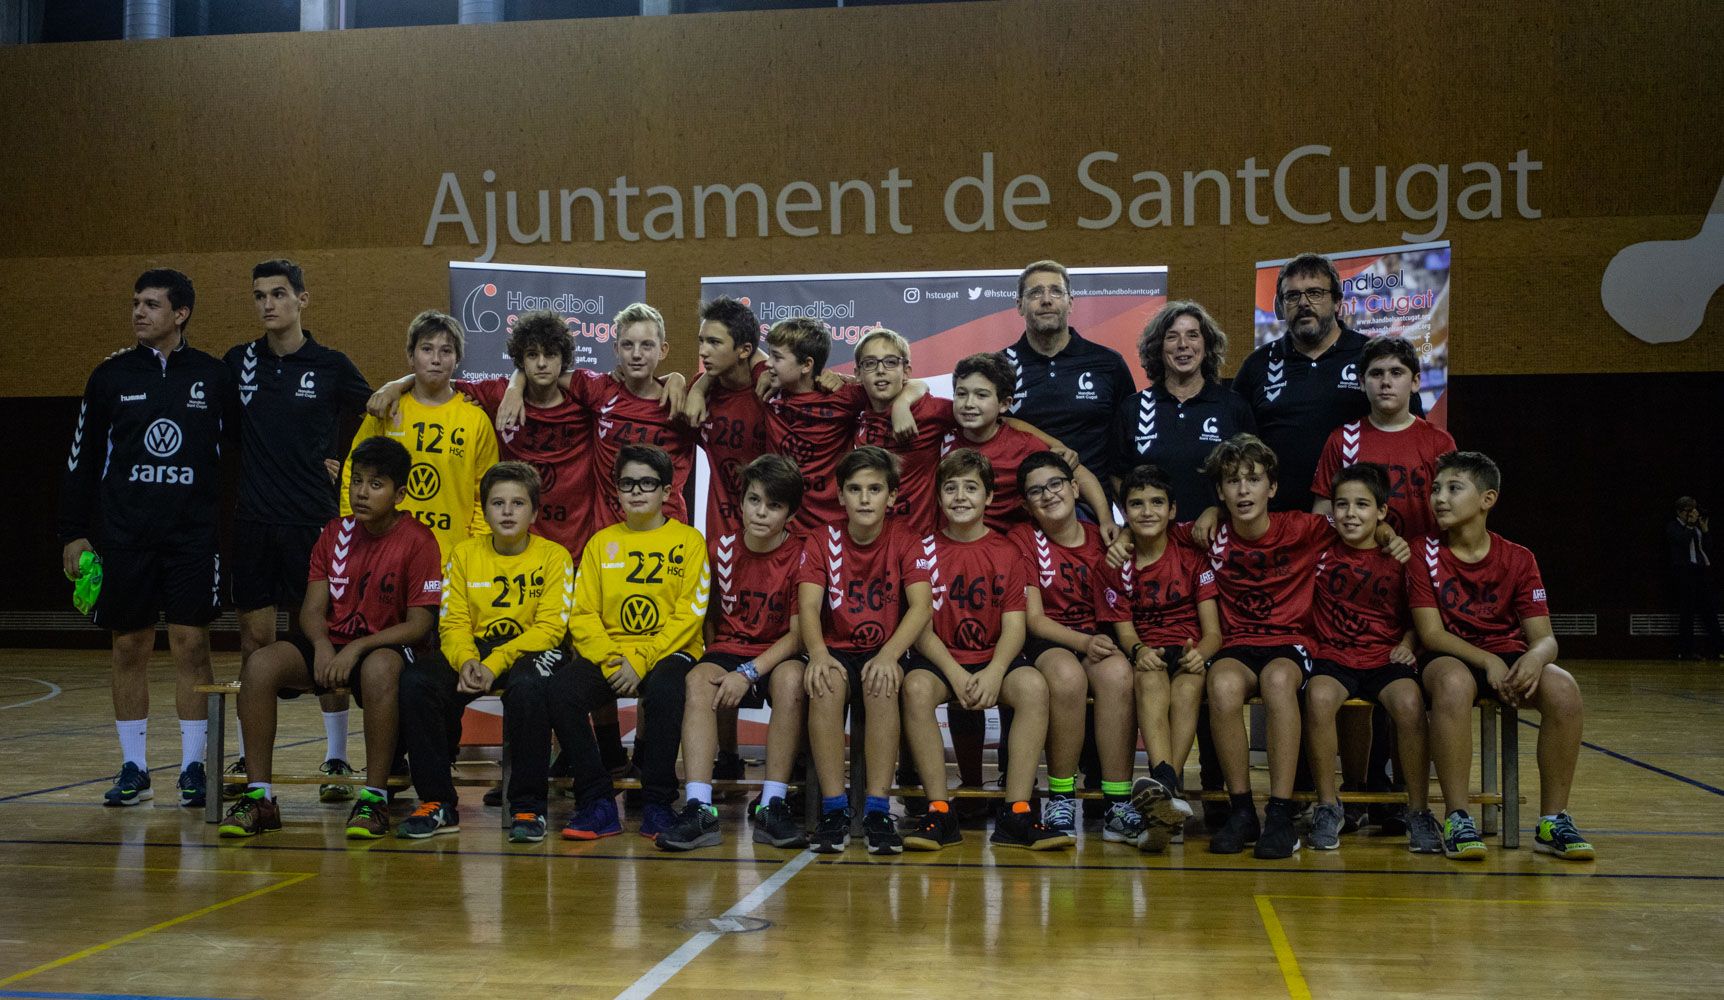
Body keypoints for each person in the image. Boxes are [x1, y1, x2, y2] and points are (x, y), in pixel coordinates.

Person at [60, 269, 234, 808]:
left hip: (192, 539)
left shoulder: (213, 376)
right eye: (135, 302)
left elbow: (238, 459)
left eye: (151, 304)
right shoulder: (109, 376)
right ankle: (133, 766)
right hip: (125, 538)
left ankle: (192, 768)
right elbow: (81, 460)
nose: (138, 312)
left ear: (179, 314)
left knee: (191, 645)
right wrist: (73, 533)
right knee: (129, 646)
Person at [218, 436, 442, 839]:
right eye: (356, 481)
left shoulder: (419, 540)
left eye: (376, 484)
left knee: (378, 669)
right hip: (334, 642)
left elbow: (419, 624)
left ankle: (374, 799)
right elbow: (311, 609)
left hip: (383, 646)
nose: (361, 492)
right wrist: (322, 645)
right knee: (260, 664)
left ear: (400, 493)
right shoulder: (334, 533)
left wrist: (356, 648)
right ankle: (259, 797)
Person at [1202, 434, 1406, 860]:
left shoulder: (1304, 528)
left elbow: (1362, 522)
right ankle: (1242, 810)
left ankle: (1280, 811)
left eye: (1253, 479)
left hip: (1290, 641)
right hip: (1238, 643)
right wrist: (1129, 539)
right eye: (1232, 481)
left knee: (1279, 682)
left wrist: (1386, 530)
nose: (1243, 490)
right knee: (1220, 686)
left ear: (1271, 488)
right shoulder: (1210, 534)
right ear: (1220, 491)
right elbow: (1157, 533)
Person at [224, 258, 374, 803]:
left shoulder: (331, 365)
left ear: (302, 300)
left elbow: (381, 409)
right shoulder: (238, 362)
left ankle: (336, 756)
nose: (268, 304)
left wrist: (349, 462)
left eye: (279, 294)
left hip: (314, 526)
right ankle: (249, 754)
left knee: (322, 638)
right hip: (253, 525)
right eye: (259, 295)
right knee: (256, 642)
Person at [1411, 451, 1595, 861]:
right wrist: (1486, 661)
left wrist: (1535, 659)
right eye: (1435, 489)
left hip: (1506, 655)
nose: (1439, 498)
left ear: (1487, 499)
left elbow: (1545, 638)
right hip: (1449, 655)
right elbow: (1431, 633)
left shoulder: (1519, 557)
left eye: (1454, 488)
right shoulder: (1422, 553)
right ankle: (1457, 817)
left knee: (1564, 690)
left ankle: (1552, 821)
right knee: (1454, 684)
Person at [900, 449, 1074, 852]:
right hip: (941, 657)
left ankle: (1016, 812)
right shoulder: (921, 549)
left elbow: (1015, 626)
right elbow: (921, 626)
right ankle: (940, 811)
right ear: (939, 497)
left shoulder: (1008, 551)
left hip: (996, 655)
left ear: (990, 497)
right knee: (916, 689)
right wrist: (956, 673)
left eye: (971, 488)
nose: (960, 496)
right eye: (951, 488)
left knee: (1032, 686)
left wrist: (995, 671)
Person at [395, 462, 576, 843]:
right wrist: (466, 660)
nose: (507, 512)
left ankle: (528, 806)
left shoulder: (555, 556)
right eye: (498, 503)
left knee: (529, 687)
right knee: (417, 682)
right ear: (485, 510)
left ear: (535, 512)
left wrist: (493, 664)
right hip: (476, 651)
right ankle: (437, 802)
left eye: (517, 503)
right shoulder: (463, 554)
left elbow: (549, 629)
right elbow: (453, 622)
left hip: (532, 649)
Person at [556, 445, 711, 841]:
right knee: (560, 690)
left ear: (666, 491)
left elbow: (688, 615)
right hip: (612, 653)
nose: (637, 491)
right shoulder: (600, 543)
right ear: (617, 491)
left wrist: (640, 660)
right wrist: (611, 660)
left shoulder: (689, 542)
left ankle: (658, 803)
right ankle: (597, 802)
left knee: (665, 689)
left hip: (668, 651)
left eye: (647, 483)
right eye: (628, 483)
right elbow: (583, 614)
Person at [656, 454, 809, 852]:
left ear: (790, 513)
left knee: (792, 679)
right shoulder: (718, 548)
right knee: (697, 680)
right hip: (730, 647)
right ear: (740, 502)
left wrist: (749, 672)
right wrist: (719, 658)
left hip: (777, 652)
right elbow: (708, 618)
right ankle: (699, 808)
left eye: (774, 505)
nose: (761, 512)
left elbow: (798, 636)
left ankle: (772, 803)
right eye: (754, 500)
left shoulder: (804, 554)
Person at [797, 446, 934, 855]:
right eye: (854, 489)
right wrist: (818, 654)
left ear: (892, 496)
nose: (864, 498)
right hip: (835, 647)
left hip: (883, 647)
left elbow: (922, 606)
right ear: (840, 496)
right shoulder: (822, 538)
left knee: (881, 685)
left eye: (874, 489)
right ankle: (834, 809)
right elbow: (807, 605)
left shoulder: (906, 538)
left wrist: (891, 654)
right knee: (825, 684)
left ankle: (876, 809)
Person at [1302, 463, 1441, 854]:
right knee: (1318, 697)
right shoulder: (1320, 549)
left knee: (1410, 703)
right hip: (1334, 655)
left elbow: (1420, 613)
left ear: (1382, 511)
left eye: (1362, 505)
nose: (1350, 514)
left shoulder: (1401, 555)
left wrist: (1409, 642)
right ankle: (1329, 805)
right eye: (1342, 505)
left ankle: (1417, 810)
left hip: (1384, 655)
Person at [1230, 252, 1422, 515]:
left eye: (1315, 293)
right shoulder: (1257, 365)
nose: (1304, 303)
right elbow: (1233, 445)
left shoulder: (1371, 358)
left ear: (1337, 302)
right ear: (1281, 306)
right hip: (1275, 520)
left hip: (1357, 521)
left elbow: (1411, 430)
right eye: (1292, 296)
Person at [1010, 452, 1134, 840]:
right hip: (1048, 640)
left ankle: (1118, 800)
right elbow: (1034, 619)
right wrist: (1084, 641)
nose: (1048, 495)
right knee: (1066, 676)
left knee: (1118, 674)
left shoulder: (1106, 539)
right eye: (1036, 491)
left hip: (1098, 637)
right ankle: (1061, 795)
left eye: (1055, 484)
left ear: (1075, 488)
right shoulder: (1023, 540)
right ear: (1026, 505)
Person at [1110, 464, 1218, 852]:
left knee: (1189, 689)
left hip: (1189, 651)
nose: (1147, 511)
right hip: (1147, 651)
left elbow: (1213, 632)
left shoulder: (1191, 557)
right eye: (1136, 504)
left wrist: (1201, 655)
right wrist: (1138, 651)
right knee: (1150, 680)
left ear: (1173, 510)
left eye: (1157, 502)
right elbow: (1124, 631)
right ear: (1124, 513)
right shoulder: (1115, 565)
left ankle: (1163, 792)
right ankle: (1166, 790)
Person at [340, 311, 499, 558]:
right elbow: (353, 472)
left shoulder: (476, 419)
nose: (436, 359)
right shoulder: (386, 409)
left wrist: (473, 553)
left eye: (446, 351)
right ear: (410, 357)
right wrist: (352, 530)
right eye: (426, 349)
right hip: (384, 553)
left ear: (457, 360)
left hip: (450, 558)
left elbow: (486, 492)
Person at [1001, 259, 1136, 508]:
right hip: (1019, 511)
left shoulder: (1108, 363)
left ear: (1070, 303)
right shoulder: (998, 367)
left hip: (1093, 513)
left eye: (1056, 291)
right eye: (1035, 293)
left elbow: (1126, 448)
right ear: (1019, 306)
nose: (1046, 300)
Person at [1115, 301, 1256, 521]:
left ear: (1206, 345)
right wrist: (1137, 519)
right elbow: (1116, 475)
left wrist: (1220, 513)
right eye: (1172, 336)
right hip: (1153, 545)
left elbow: (1251, 476)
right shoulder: (1132, 408)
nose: (1183, 344)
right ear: (1158, 347)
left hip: (1216, 540)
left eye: (1193, 335)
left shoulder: (1234, 407)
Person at [943, 351, 1112, 533]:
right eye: (961, 394)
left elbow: (1079, 473)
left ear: (1005, 404)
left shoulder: (1024, 444)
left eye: (981, 395)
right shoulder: (941, 435)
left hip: (1013, 546)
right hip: (956, 544)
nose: (969, 403)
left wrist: (1106, 520)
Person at [1310, 335, 1455, 541]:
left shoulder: (1439, 442)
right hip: (1361, 565)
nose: (1386, 382)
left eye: (1396, 373)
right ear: (1362, 382)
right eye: (1376, 373)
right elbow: (1323, 512)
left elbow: (1453, 509)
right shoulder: (1342, 440)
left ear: (1415, 382)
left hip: (1424, 563)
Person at [1668, 497, 1722, 660]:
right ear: (1679, 511)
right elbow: (1682, 541)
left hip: (1700, 572)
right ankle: (1686, 651)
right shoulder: (1673, 527)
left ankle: (1719, 648)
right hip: (1684, 574)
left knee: (1709, 611)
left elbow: (1707, 548)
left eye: (1693, 509)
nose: (1692, 513)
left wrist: (1704, 530)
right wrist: (1690, 525)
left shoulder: (1695, 527)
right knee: (1687, 613)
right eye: (1688, 510)